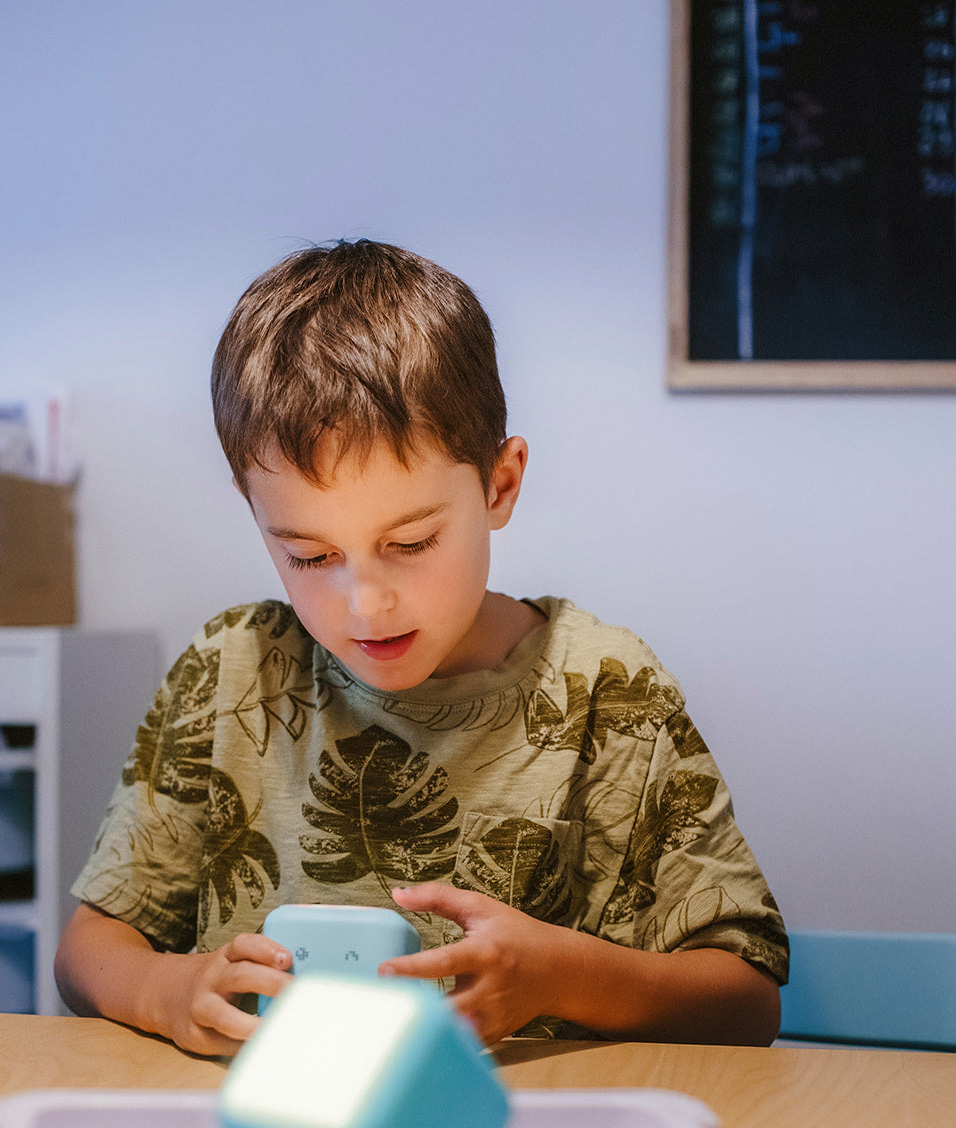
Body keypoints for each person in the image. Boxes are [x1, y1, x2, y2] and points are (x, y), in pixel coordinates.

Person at [55, 239, 788, 1056]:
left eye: (409, 544)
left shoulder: (605, 691)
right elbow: (89, 949)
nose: (364, 604)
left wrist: (561, 975)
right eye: (308, 556)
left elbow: (744, 1002)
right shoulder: (230, 672)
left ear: (499, 485)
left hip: (515, 1126)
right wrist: (167, 991)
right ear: (252, 508)